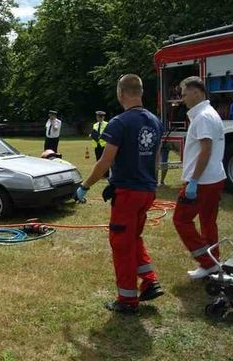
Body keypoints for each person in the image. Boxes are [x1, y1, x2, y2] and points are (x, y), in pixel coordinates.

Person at [74, 74, 164, 314]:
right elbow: (155, 159)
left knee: (121, 243)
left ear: (120, 93)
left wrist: (84, 186)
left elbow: (104, 162)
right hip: (147, 190)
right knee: (134, 237)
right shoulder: (155, 121)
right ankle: (149, 281)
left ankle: (127, 300)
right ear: (141, 92)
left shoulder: (119, 123)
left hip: (128, 192)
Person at [172, 76, 226, 280]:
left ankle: (207, 262)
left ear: (197, 92)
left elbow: (206, 150)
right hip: (214, 177)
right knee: (208, 222)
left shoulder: (203, 117)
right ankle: (213, 260)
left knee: (181, 220)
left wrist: (193, 181)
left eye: (185, 94)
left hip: (202, 181)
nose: (183, 99)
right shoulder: (210, 114)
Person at [90, 110, 109, 178]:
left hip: (104, 145)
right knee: (98, 160)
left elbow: (108, 134)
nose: (99, 118)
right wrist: (92, 135)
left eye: (101, 117)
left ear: (103, 117)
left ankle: (106, 175)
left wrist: (101, 136)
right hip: (96, 145)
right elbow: (94, 132)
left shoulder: (107, 124)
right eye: (98, 117)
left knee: (105, 160)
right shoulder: (95, 125)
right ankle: (100, 174)